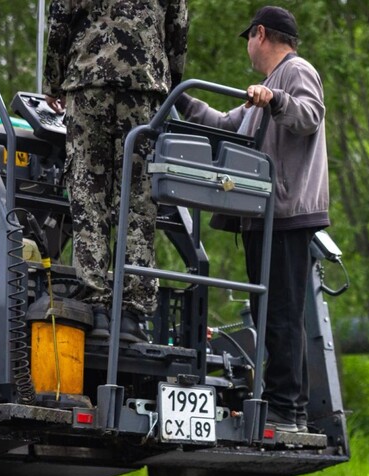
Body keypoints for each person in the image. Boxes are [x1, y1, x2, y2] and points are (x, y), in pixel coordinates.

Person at [175, 6, 329, 433]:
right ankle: (287, 407)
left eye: (248, 39)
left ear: (260, 34)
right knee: (270, 313)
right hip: (263, 216)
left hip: (285, 213)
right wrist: (181, 98)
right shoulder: (265, 86)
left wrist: (276, 99)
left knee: (280, 314)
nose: (248, 48)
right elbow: (227, 125)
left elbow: (309, 114)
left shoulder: (295, 72)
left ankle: (286, 409)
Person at [43, 0, 188, 343]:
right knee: (138, 199)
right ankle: (132, 315)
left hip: (87, 82)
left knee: (88, 194)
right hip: (145, 87)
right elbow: (178, 31)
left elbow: (60, 19)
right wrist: (168, 82)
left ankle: (96, 306)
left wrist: (53, 81)